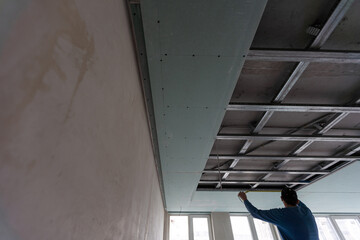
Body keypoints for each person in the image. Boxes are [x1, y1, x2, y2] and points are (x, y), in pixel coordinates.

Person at [238, 187, 319, 240]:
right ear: (297, 200)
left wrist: (244, 199)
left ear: (281, 198)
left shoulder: (281, 215)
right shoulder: (306, 211)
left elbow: (255, 213)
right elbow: (298, 202)